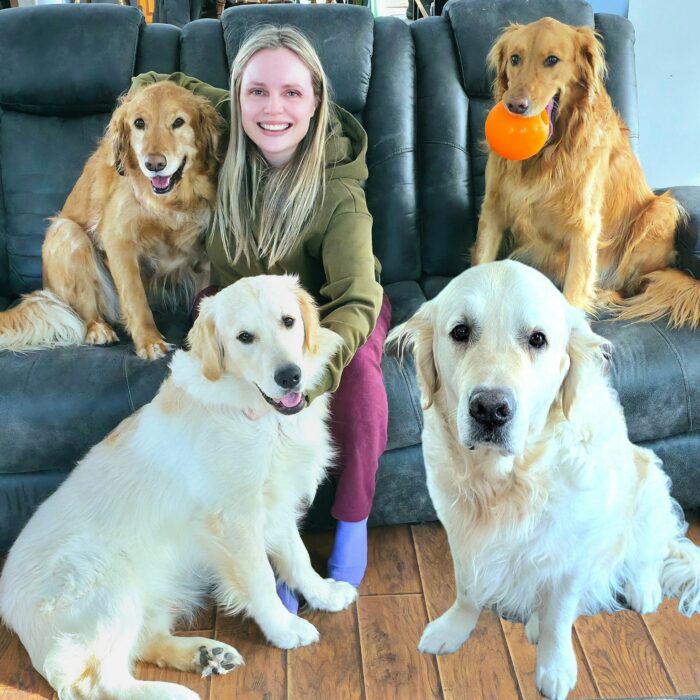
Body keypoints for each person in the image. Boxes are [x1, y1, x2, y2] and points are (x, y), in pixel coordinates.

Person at [132, 25, 390, 610]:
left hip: (325, 311)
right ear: (236, 96)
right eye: (257, 92)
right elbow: (151, 81)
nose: (274, 109)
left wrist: (302, 382)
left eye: (292, 93)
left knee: (359, 382)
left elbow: (356, 301)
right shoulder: (225, 128)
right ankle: (266, 545)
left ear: (316, 100)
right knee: (221, 391)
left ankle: (353, 519)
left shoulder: (340, 194)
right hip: (239, 305)